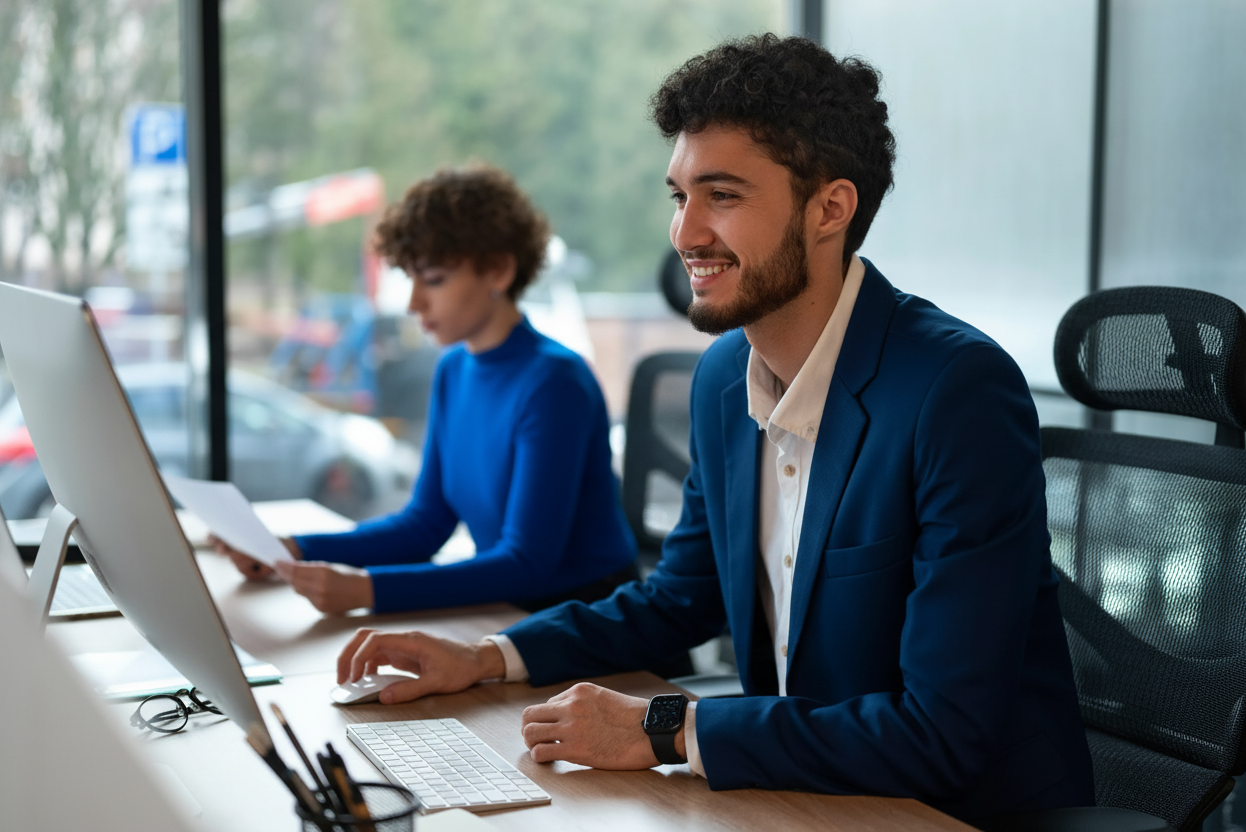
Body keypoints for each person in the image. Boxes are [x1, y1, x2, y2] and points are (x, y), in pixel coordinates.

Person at [332, 35, 1095, 823]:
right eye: (679, 196)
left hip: (955, 813)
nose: (685, 232)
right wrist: (487, 658)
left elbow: (943, 731)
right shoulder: (724, 378)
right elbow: (677, 600)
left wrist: (667, 729)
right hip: (800, 796)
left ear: (830, 208)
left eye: (722, 196)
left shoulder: (953, 392)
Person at [217, 164, 638, 615]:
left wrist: (366, 590)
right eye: (411, 279)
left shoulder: (556, 383)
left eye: (434, 279)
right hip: (511, 611)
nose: (414, 303)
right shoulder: (454, 368)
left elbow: (527, 563)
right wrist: (293, 550)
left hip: (591, 624)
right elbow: (426, 525)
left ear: (498, 270)